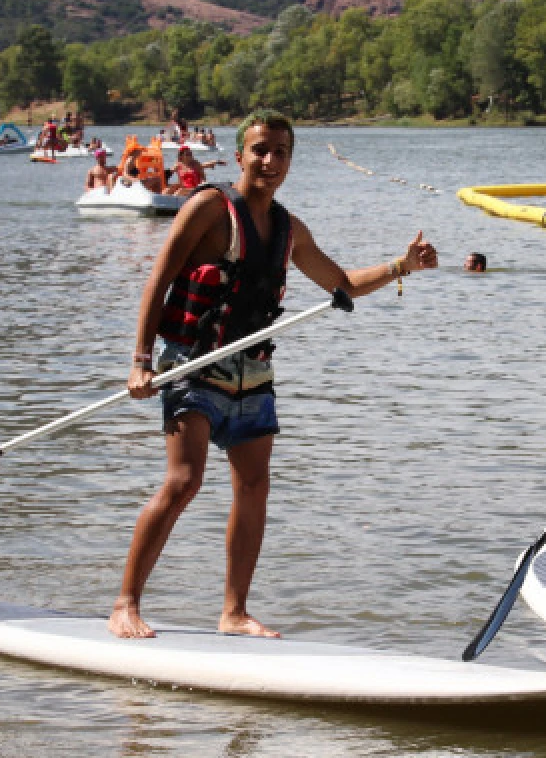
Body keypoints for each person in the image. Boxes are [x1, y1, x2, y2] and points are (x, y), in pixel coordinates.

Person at [107, 109, 439, 639]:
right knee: (184, 481)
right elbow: (159, 280)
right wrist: (140, 360)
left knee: (254, 487)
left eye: (281, 152)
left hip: (253, 375)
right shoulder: (207, 210)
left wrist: (402, 267)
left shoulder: (289, 230)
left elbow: (342, 284)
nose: (270, 160)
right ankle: (125, 604)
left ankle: (234, 613)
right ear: (239, 155)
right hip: (192, 364)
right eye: (260, 150)